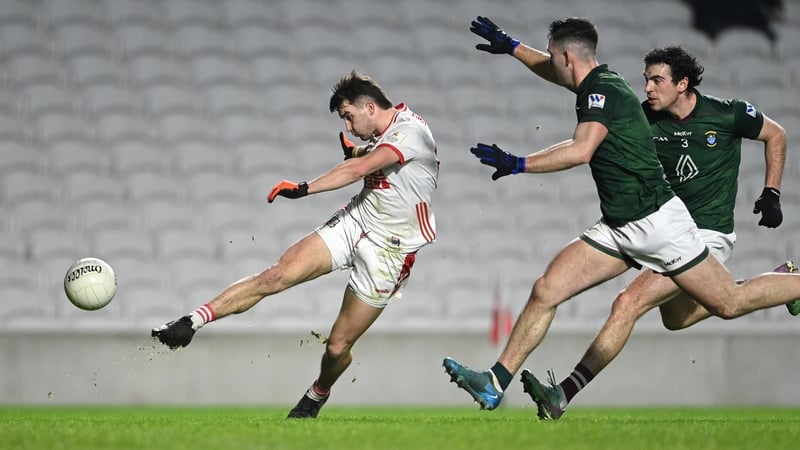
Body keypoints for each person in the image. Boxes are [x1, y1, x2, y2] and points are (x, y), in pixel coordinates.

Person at [442, 16, 800, 416]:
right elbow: (552, 71)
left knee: (722, 303)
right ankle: (494, 383)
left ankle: (563, 394)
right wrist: (511, 47)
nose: (647, 87)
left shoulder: (609, 92)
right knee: (547, 289)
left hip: (662, 225)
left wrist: (518, 162)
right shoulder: (599, 89)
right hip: (619, 225)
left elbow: (581, 150)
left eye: (657, 80)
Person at [152, 70, 439, 419]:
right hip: (357, 221)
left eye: (348, 117)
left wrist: (304, 188)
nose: (347, 126)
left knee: (337, 347)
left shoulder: (410, 132)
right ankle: (190, 322)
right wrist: (356, 150)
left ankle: (318, 393)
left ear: (369, 108)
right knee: (275, 275)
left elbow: (360, 168)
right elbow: (369, 155)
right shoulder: (388, 128)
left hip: (390, 249)